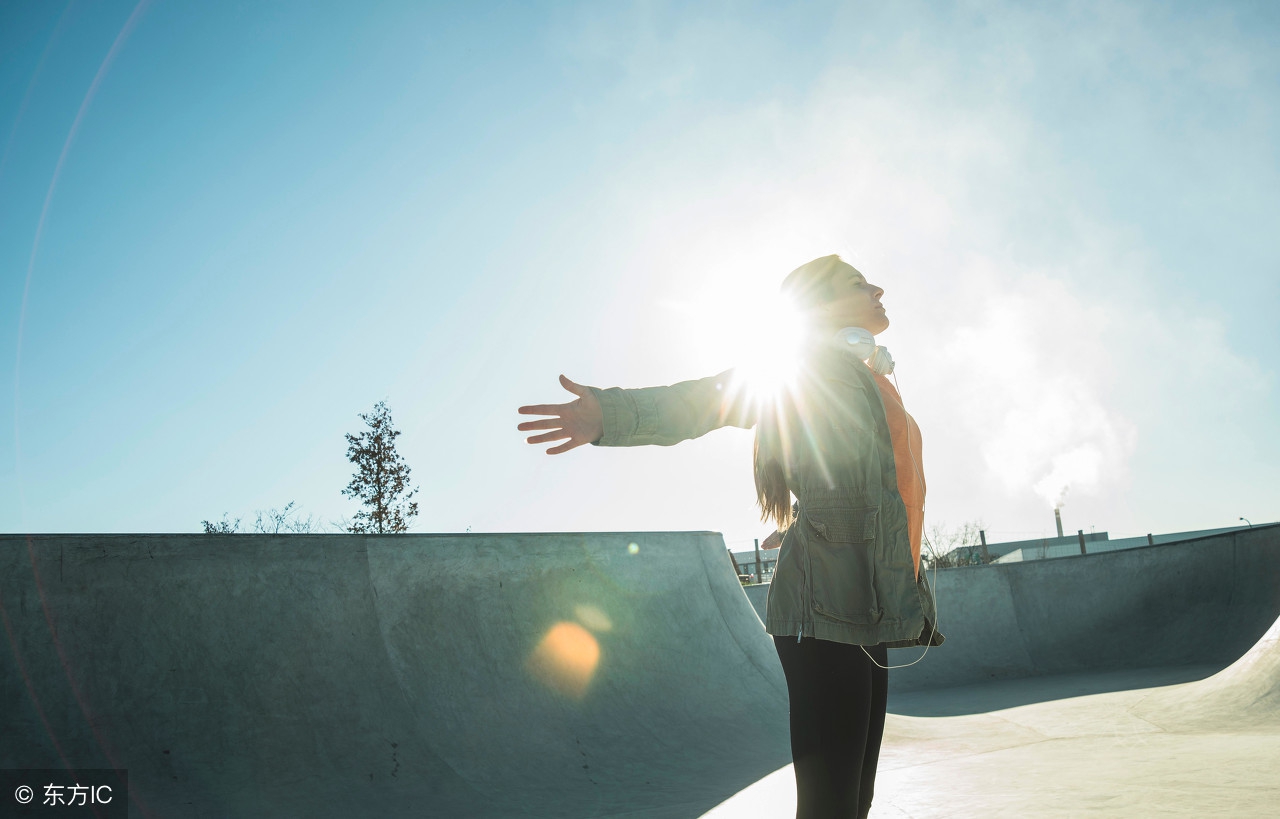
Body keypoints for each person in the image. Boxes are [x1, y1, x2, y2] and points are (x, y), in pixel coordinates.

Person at [517, 255, 943, 819]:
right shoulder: (811, 369)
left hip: (867, 601)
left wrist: (816, 519)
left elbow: (869, 482)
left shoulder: (865, 374)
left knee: (855, 796)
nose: (878, 287)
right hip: (823, 611)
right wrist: (612, 414)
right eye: (859, 283)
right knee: (831, 802)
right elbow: (708, 401)